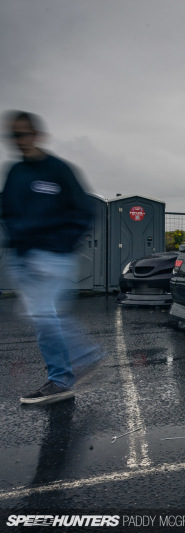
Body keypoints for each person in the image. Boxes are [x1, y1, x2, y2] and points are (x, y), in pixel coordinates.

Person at [2, 111, 95, 405]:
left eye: (24, 134)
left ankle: (81, 361)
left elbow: (84, 211)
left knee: (44, 314)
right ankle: (62, 378)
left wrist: (61, 244)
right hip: (23, 257)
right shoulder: (16, 172)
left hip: (54, 256)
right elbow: (7, 210)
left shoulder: (59, 171)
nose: (20, 141)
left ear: (37, 135)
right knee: (42, 318)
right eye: (14, 136)